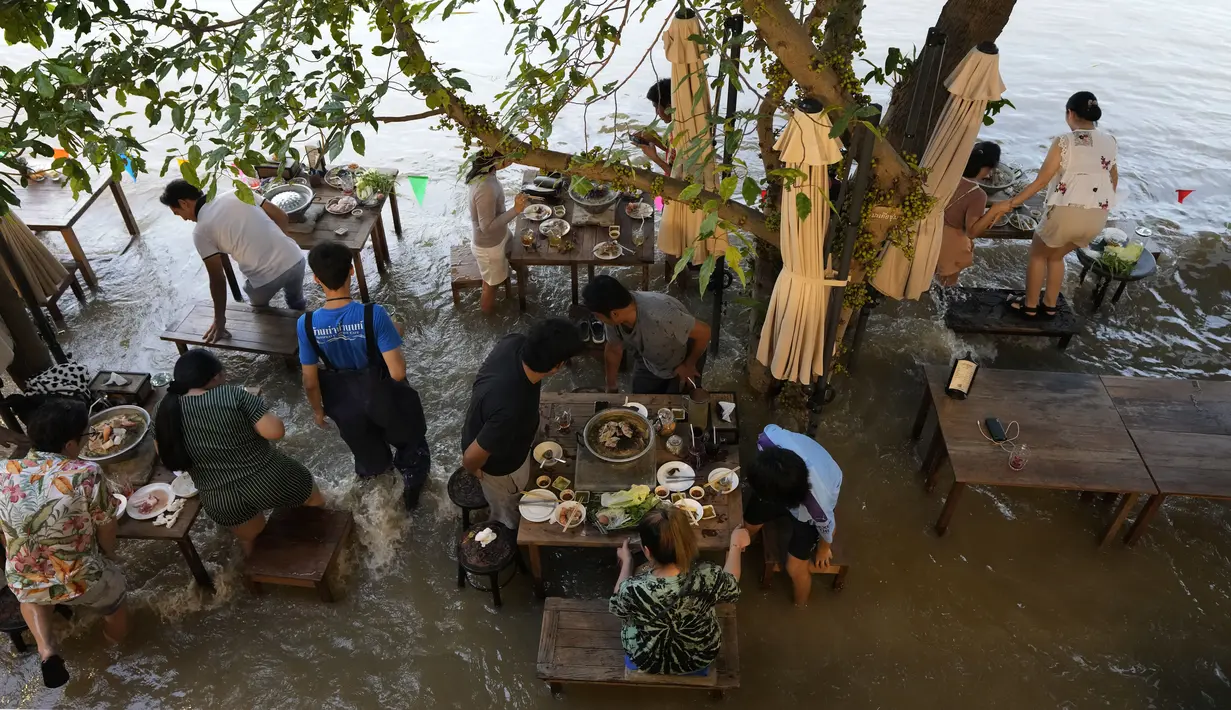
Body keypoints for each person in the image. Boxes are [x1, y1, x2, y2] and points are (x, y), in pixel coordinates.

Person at [0, 399, 128, 688]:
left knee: (32, 595)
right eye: (85, 437)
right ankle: (110, 656)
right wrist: (108, 557)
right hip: (79, 579)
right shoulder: (86, 473)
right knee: (114, 603)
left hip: (24, 576)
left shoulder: (3, 470)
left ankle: (47, 650)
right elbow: (106, 525)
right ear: (70, 445)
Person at [298, 242, 430, 509]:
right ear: (351, 272)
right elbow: (397, 372)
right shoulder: (374, 314)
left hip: (345, 407)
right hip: (383, 399)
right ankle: (412, 499)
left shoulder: (307, 324)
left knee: (372, 464)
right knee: (411, 447)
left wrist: (318, 411)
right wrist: (394, 333)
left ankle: (382, 507)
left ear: (315, 278)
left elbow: (310, 381)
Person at [155, 349, 325, 555]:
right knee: (311, 494)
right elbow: (276, 432)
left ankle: (251, 565)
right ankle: (324, 537)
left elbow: (164, 454)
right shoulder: (232, 395)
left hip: (220, 500)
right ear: (215, 376)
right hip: (269, 481)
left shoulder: (163, 410)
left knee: (251, 537)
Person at [1001, 91, 1118, 317]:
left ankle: (1031, 305)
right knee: (1055, 256)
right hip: (1096, 217)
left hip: (1066, 213)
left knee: (1038, 253)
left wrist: (1010, 203)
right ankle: (1051, 305)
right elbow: (1113, 179)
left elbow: (1042, 180)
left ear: (1070, 113)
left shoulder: (1064, 141)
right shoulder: (1110, 141)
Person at [460, 319, 584, 529]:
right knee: (507, 510)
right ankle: (508, 532)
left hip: (482, 425)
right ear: (557, 367)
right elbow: (470, 458)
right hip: (501, 466)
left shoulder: (514, 342)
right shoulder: (511, 408)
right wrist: (479, 472)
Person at [160, 179, 307, 342]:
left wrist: (219, 320)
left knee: (259, 311)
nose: (183, 218)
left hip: (265, 281)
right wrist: (280, 246)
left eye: (178, 213)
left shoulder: (200, 232)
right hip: (296, 259)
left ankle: (282, 342)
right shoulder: (238, 192)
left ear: (183, 203)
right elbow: (282, 216)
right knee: (296, 301)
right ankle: (302, 318)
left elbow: (217, 279)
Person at [609, 507, 749, 675]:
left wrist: (627, 561)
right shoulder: (708, 576)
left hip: (646, 658)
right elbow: (731, 585)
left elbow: (618, 607)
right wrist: (735, 545)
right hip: (699, 657)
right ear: (689, 543)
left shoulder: (634, 588)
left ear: (647, 551)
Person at [742, 424, 843, 607]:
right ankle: (741, 552)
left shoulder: (817, 505)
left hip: (821, 483)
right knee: (747, 526)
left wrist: (823, 550)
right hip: (782, 480)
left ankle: (800, 606)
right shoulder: (767, 439)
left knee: (795, 568)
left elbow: (828, 527)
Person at [582, 275, 711, 394]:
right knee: (639, 400)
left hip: (683, 356)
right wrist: (611, 386)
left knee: (682, 405)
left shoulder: (661, 316)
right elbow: (614, 349)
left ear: (614, 314)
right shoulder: (613, 315)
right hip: (650, 358)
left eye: (597, 316)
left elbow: (704, 332)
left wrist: (689, 364)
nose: (598, 320)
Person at [936, 142, 1016, 286]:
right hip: (949, 245)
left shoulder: (947, 176)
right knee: (947, 287)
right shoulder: (978, 195)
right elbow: (972, 231)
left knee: (930, 280)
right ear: (986, 167)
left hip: (931, 234)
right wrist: (994, 210)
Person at [467, 151, 527, 313]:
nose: (512, 158)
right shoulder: (484, 187)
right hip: (489, 247)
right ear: (495, 160)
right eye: (508, 155)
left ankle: (526, 285)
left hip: (501, 235)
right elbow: (486, 227)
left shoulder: (485, 175)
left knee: (518, 258)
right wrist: (516, 210)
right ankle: (488, 321)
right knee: (491, 285)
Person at [632, 78, 674, 174]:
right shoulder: (676, 126)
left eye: (656, 107)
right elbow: (673, 151)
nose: (656, 113)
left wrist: (655, 159)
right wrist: (655, 139)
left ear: (669, 107)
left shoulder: (685, 133)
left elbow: (680, 180)